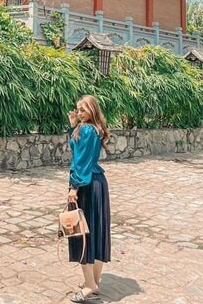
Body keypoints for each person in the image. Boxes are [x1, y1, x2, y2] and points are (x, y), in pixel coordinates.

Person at [67, 95, 111, 303]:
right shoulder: (96, 129)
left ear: (92, 110)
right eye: (78, 109)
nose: (79, 113)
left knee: (82, 233)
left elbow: (81, 161)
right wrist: (72, 126)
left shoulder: (85, 130)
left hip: (85, 184)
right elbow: (81, 152)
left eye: (83, 110)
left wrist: (74, 186)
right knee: (97, 231)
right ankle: (95, 281)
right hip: (98, 183)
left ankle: (90, 285)